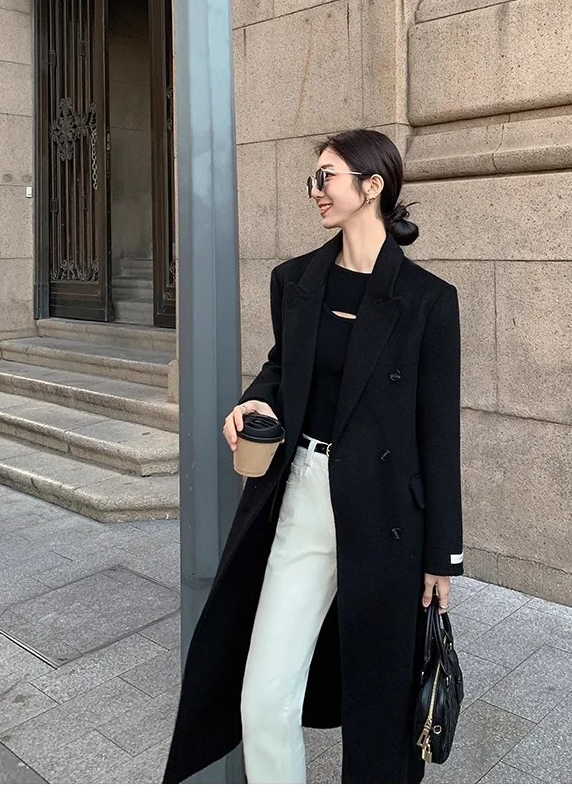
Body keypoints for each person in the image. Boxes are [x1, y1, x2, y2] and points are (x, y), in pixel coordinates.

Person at [163, 128, 464, 785]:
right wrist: (256, 399)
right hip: (301, 493)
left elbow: (439, 434)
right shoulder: (295, 281)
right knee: (263, 698)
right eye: (313, 178)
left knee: (380, 711)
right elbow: (283, 368)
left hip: (387, 517)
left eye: (326, 177)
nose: (315, 190)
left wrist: (443, 555)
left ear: (372, 186)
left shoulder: (429, 301)